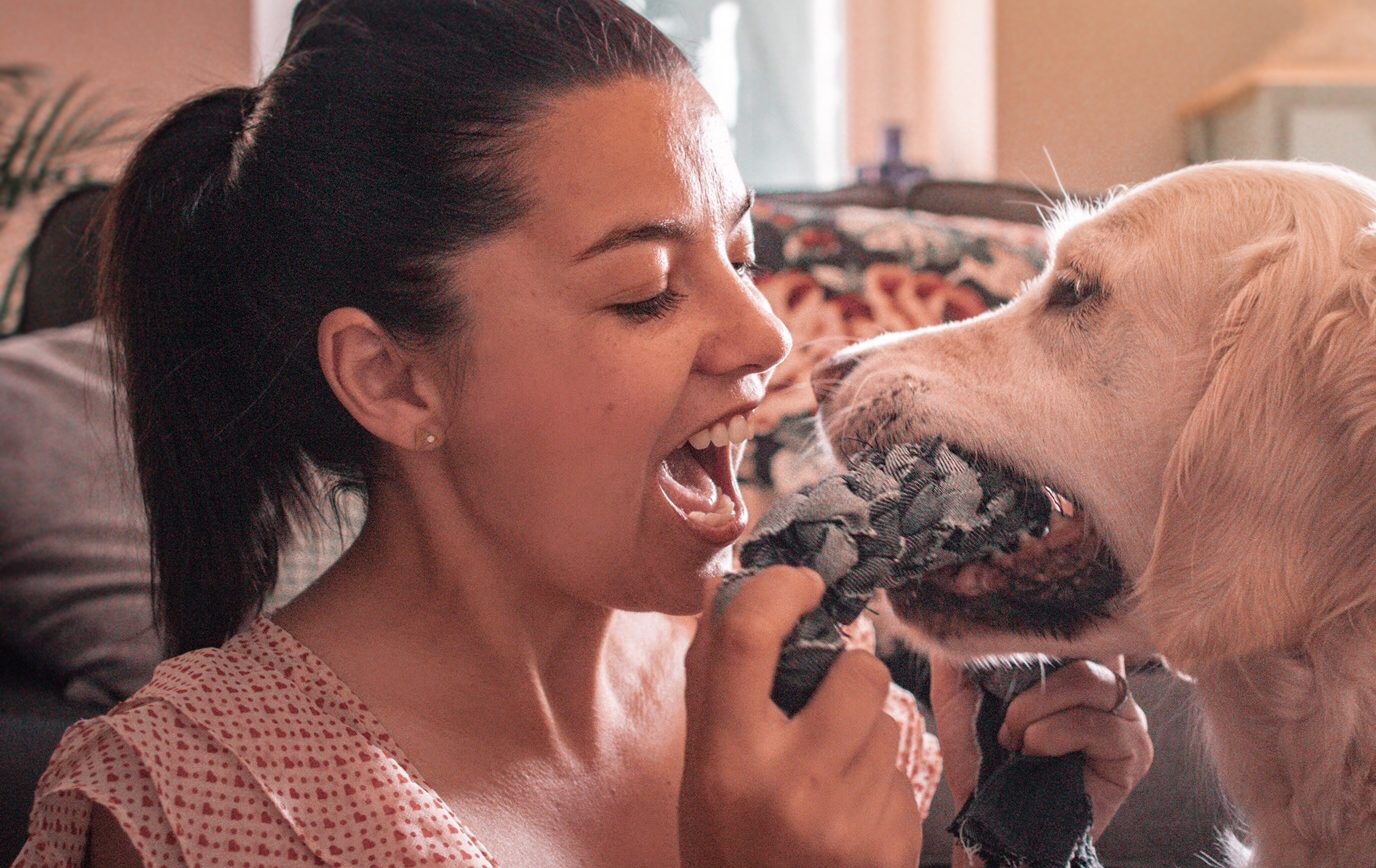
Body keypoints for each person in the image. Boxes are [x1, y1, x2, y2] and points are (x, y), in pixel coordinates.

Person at [15, 1, 1152, 865]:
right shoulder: (197, 808)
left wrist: (995, 840)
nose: (763, 334)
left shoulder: (800, 690)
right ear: (396, 378)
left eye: (744, 258)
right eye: (647, 289)